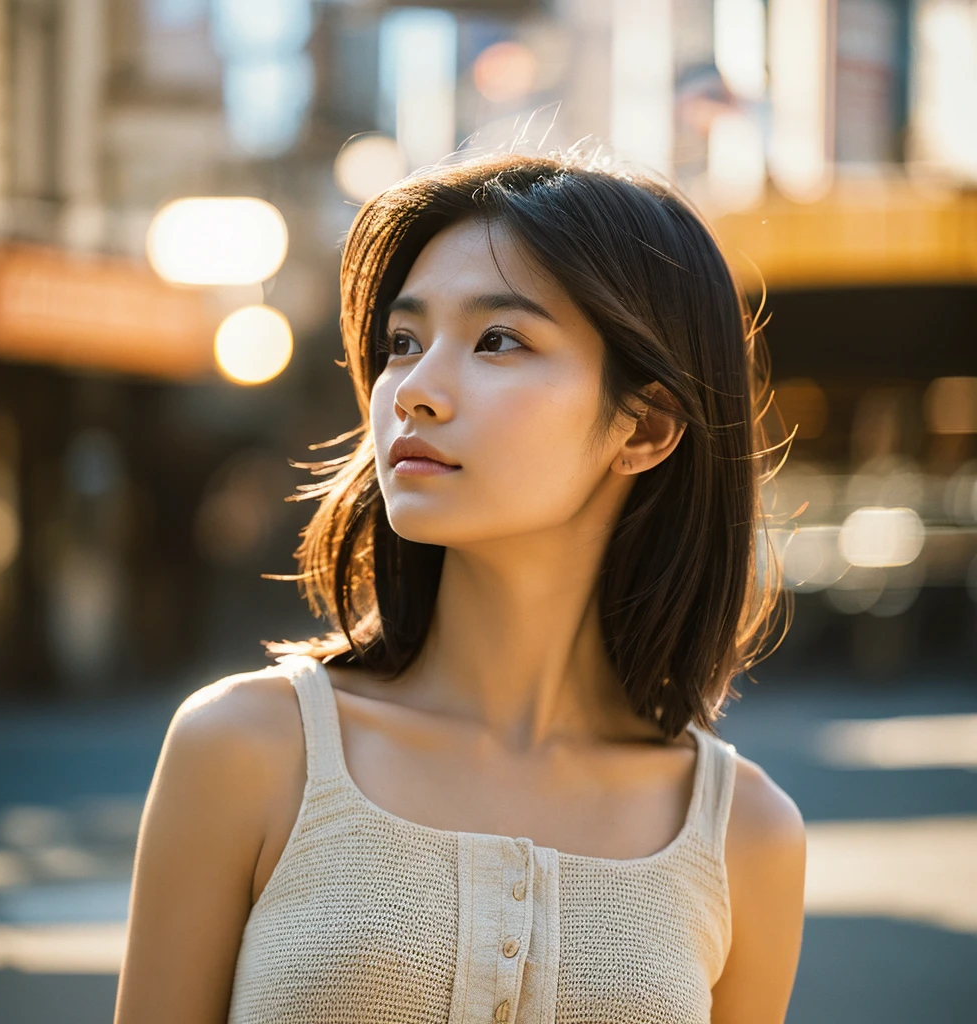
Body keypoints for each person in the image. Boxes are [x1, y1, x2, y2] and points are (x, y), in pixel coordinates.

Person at [114, 148, 806, 1024]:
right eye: (403, 342)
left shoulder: (744, 836)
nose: (414, 392)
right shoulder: (247, 751)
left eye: (498, 340)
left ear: (648, 424)